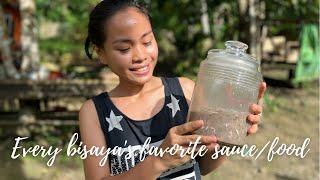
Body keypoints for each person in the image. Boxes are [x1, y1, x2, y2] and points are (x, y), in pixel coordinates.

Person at [79, 1, 267, 180]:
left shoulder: (184, 91)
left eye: (147, 42)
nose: (140, 56)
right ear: (101, 53)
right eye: (124, 49)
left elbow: (202, 166)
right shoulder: (95, 112)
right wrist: (159, 161)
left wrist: (231, 131)